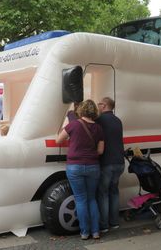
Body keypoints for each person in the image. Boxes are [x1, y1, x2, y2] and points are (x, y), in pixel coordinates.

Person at [56, 99, 104, 240]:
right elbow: (100, 151)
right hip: (93, 166)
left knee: (81, 199)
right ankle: (95, 232)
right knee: (92, 199)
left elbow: (59, 140)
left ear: (81, 110)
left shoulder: (73, 125)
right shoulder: (99, 128)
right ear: (94, 111)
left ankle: (84, 232)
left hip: (75, 167)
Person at [96, 97, 125, 233]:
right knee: (114, 192)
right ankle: (114, 223)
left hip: (106, 162)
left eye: (99, 104)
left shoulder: (100, 120)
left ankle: (104, 225)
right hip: (119, 162)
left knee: (103, 194)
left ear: (104, 105)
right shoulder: (118, 120)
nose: (98, 106)